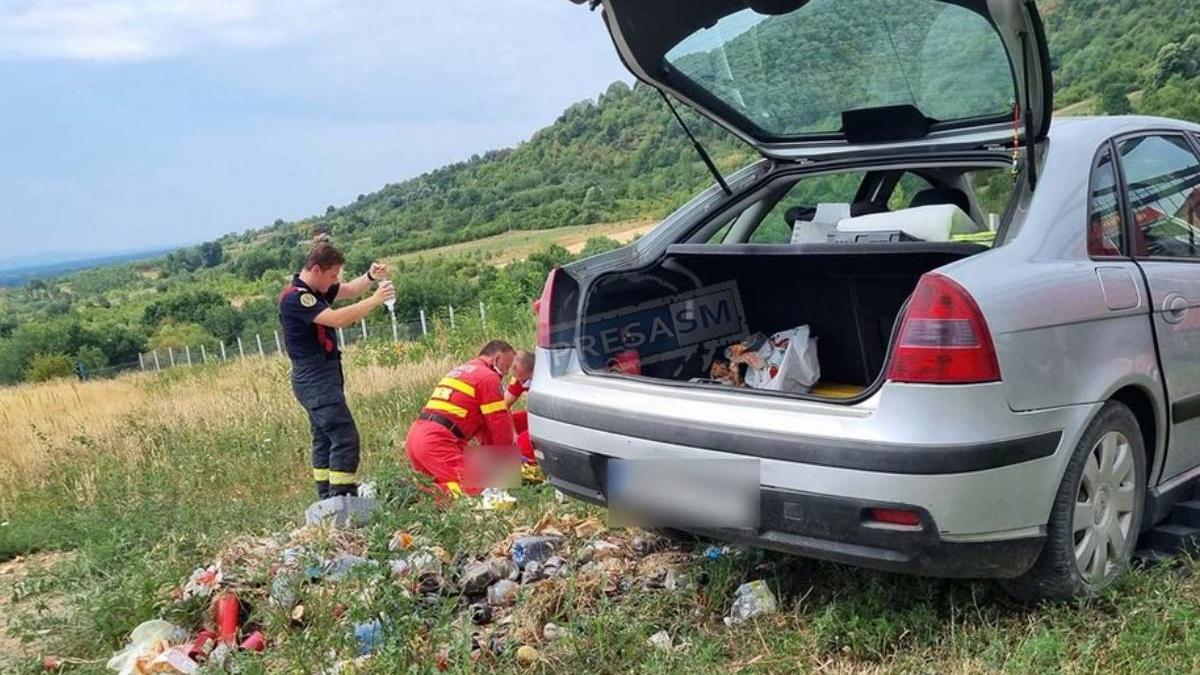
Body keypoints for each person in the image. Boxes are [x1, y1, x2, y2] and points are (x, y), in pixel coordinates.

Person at [279, 242, 395, 500]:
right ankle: (343, 496)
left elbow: (350, 290)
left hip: (323, 374)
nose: (334, 282)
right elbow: (336, 319)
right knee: (344, 435)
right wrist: (375, 300)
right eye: (332, 275)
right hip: (314, 377)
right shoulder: (297, 298)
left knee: (324, 437)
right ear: (316, 269)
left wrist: (370, 277)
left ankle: (327, 497)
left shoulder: (316, 289)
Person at [405, 341, 518, 495]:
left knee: (445, 482)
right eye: (506, 367)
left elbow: (483, 429)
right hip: (437, 441)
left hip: (418, 436)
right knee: (480, 487)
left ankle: (389, 494)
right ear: (497, 359)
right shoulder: (488, 378)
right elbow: (498, 423)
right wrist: (507, 467)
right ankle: (409, 495)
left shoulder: (462, 371)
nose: (505, 373)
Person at [504, 350, 536, 464]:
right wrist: (513, 433)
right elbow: (504, 405)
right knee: (502, 426)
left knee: (521, 445)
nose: (524, 384)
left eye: (527, 380)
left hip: (550, 420)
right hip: (535, 416)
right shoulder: (520, 378)